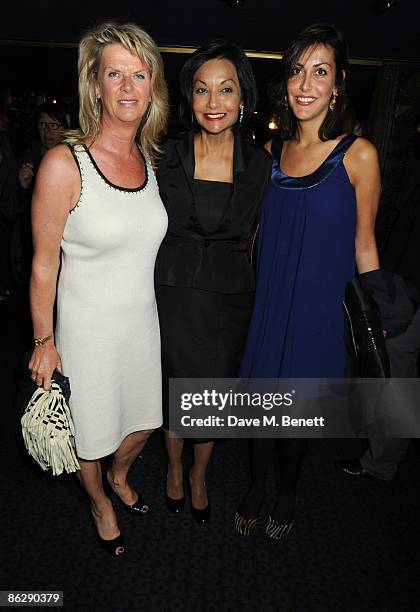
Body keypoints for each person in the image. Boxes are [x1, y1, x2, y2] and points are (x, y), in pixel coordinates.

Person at [234, 22, 381, 539]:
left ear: (338, 83)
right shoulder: (272, 156)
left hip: (318, 311)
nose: (305, 83)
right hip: (270, 303)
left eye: (320, 72)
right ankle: (255, 484)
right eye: (298, 70)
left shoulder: (358, 154)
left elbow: (364, 243)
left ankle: (289, 488)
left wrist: (376, 316)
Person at [28, 21, 169, 556]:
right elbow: (43, 265)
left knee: (144, 424)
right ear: (96, 84)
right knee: (89, 433)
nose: (129, 87)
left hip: (141, 324)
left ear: (153, 86)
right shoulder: (66, 164)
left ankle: (120, 475)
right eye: (117, 74)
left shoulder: (150, 161)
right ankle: (100, 501)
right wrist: (45, 342)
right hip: (85, 331)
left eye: (140, 75)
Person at [155, 41, 271, 523]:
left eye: (226, 89)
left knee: (212, 394)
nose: (213, 101)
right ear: (190, 97)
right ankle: (175, 470)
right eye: (202, 90)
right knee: (175, 386)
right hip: (174, 290)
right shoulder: (164, 152)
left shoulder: (263, 164)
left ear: (243, 97)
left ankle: (199, 475)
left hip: (230, 296)